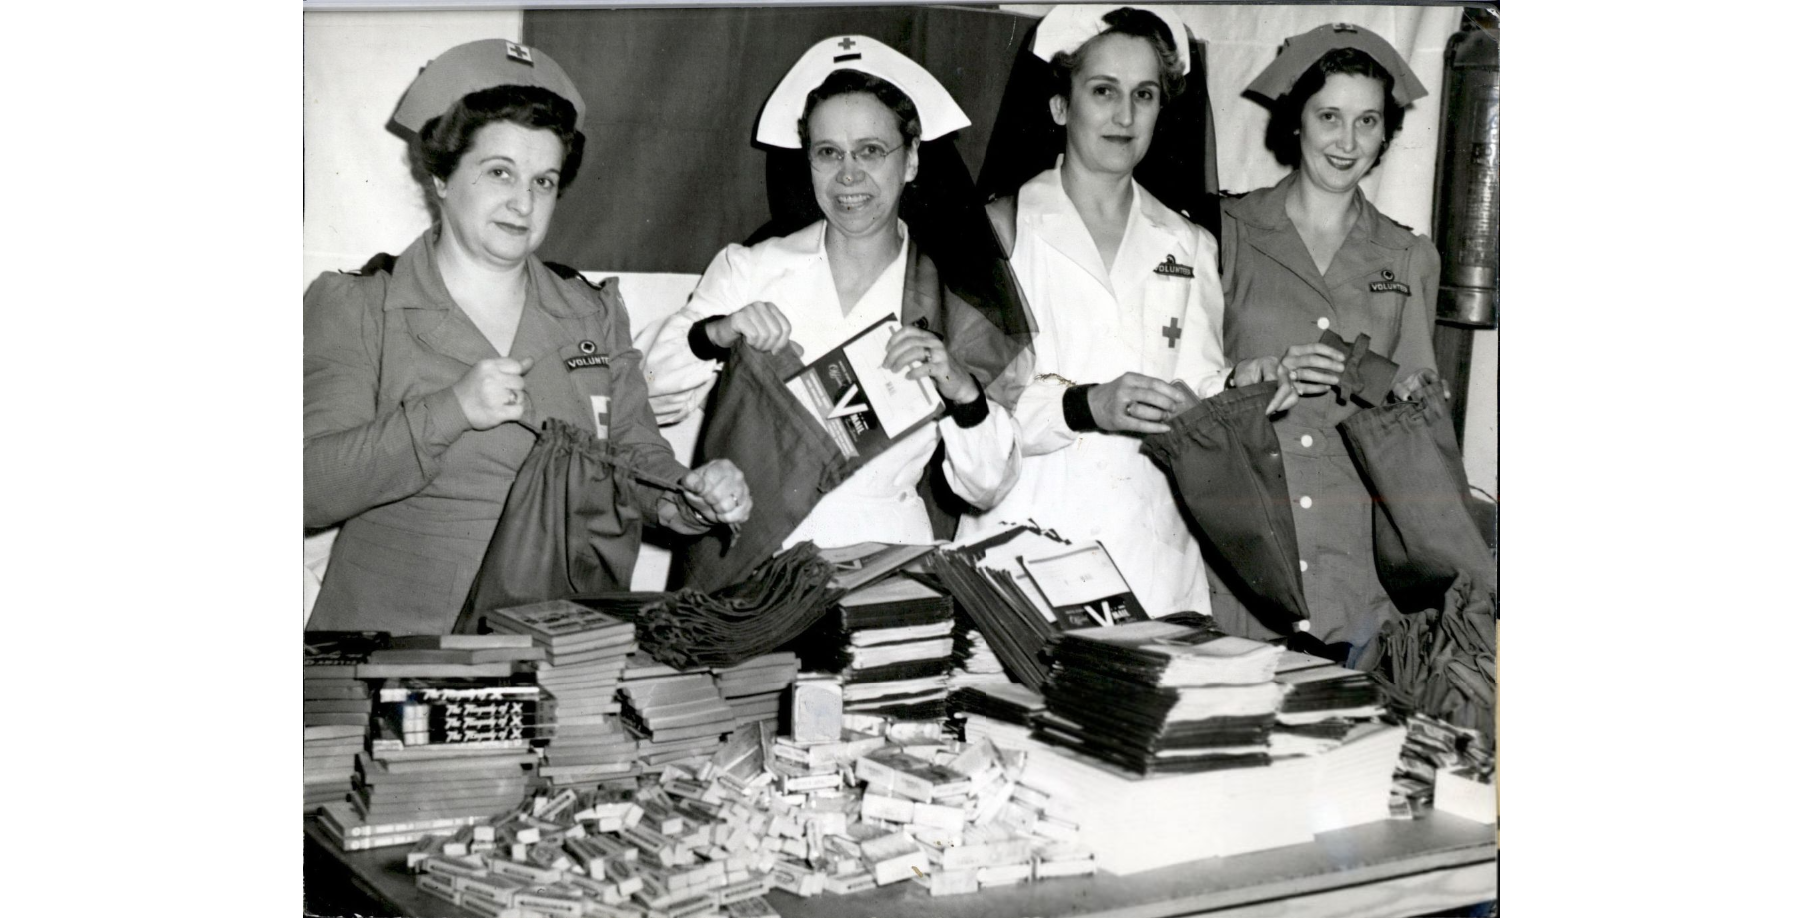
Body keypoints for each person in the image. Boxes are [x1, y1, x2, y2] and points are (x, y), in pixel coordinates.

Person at [303, 39, 751, 634]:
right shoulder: (360, 303)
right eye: (499, 172)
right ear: (441, 175)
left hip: (559, 646)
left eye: (544, 181)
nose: (523, 202)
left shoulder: (590, 311)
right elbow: (312, 489)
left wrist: (689, 497)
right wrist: (450, 410)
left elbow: (637, 460)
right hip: (398, 647)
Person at [961, 5, 1306, 619]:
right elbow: (982, 410)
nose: (1124, 115)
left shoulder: (1190, 244)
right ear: (1060, 106)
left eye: (1143, 95)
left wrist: (1241, 389)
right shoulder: (998, 231)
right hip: (1026, 546)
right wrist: (1089, 405)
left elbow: (1196, 391)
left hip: (1150, 558)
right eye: (1103, 91)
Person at [644, 36, 1028, 557]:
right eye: (829, 153)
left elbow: (986, 486)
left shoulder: (947, 295)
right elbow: (649, 393)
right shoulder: (754, 268)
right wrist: (717, 333)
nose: (849, 175)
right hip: (759, 553)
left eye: (871, 150)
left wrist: (963, 392)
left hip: (889, 565)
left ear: (912, 160)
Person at [1211, 23, 1443, 665]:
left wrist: (1365, 371)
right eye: (1329, 117)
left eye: (1368, 121)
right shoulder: (1226, 232)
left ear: (1386, 133)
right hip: (1245, 554)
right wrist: (1253, 375)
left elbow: (1423, 423)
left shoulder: (1409, 255)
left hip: (1356, 569)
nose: (1347, 142)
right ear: (1296, 121)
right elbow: (1190, 385)